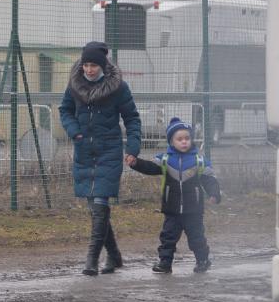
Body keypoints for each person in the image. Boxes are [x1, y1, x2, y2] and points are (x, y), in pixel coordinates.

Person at [58, 41, 142, 277]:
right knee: (95, 207)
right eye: (86, 65)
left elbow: (132, 118)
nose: (89, 69)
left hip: (109, 151)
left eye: (93, 65)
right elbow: (65, 110)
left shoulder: (118, 87)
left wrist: (132, 148)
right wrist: (75, 132)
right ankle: (114, 255)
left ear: (103, 65)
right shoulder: (74, 85)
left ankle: (92, 260)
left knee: (100, 203)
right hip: (84, 151)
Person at [129, 117, 221, 273]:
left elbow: (210, 180)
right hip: (172, 210)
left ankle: (203, 260)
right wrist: (135, 163)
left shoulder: (199, 161)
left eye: (187, 138)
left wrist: (214, 194)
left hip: (194, 211)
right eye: (180, 139)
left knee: (197, 238)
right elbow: (149, 167)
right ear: (171, 141)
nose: (184, 141)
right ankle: (165, 263)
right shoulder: (165, 160)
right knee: (168, 238)